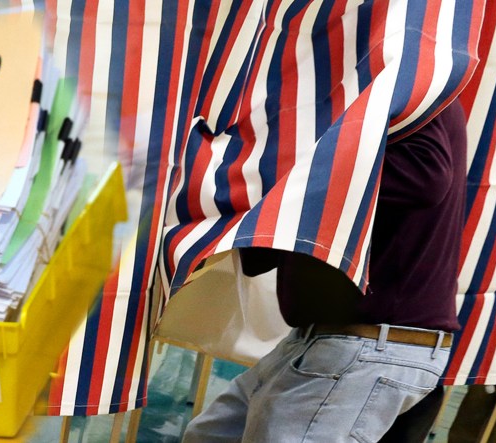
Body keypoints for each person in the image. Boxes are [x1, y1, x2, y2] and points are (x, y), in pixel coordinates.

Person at [182, 100, 467, 442]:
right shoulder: (371, 83)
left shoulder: (411, 72)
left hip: (367, 342)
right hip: (333, 340)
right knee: (209, 435)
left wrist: (287, 170)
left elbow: (424, 178)